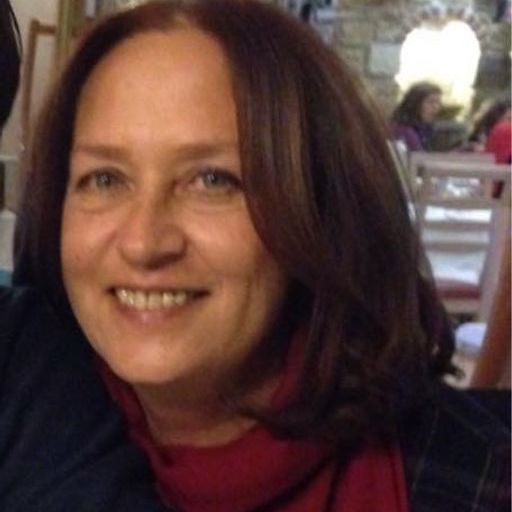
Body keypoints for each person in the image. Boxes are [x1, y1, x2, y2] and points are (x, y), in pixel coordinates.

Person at [4, 1, 509, 511]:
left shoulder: (480, 479)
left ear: (322, 206)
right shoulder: (30, 408)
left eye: (213, 180)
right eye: (105, 179)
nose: (143, 242)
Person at [391, 81, 442, 151]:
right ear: (415, 104)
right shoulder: (404, 130)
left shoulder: (425, 129)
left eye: (438, 103)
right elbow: (420, 156)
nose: (436, 107)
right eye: (431, 102)